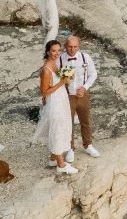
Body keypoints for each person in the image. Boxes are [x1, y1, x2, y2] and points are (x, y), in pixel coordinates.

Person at [35, 39, 76, 174]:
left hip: (61, 100)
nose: (56, 53)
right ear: (47, 52)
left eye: (59, 50)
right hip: (54, 103)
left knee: (63, 127)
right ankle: (61, 165)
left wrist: (67, 77)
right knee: (58, 130)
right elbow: (44, 92)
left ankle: (53, 159)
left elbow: (59, 80)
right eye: (53, 51)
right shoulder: (46, 70)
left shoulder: (55, 64)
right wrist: (62, 82)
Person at [59, 33, 100, 158]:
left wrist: (84, 87)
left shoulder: (85, 57)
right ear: (65, 46)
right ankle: (70, 149)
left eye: (75, 46)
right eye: (70, 46)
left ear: (79, 46)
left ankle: (88, 145)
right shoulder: (60, 59)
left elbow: (93, 74)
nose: (72, 49)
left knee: (85, 121)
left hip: (83, 95)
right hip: (67, 96)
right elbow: (55, 78)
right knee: (68, 123)